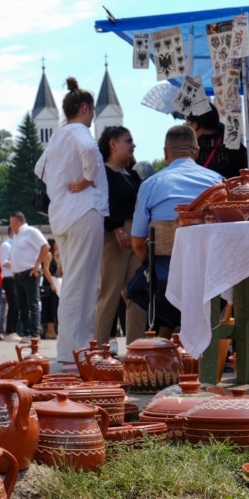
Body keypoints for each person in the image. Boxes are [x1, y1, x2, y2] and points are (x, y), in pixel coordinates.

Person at [34, 77, 108, 365]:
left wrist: (63, 183)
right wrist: (86, 178)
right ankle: (74, 351)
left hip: (63, 215)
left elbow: (39, 168)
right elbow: (89, 151)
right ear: (87, 109)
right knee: (83, 283)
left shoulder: (58, 135)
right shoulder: (78, 132)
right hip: (83, 211)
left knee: (79, 282)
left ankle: (74, 349)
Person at [130, 125, 223, 337]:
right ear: (197, 152)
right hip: (208, 273)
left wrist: (150, 262)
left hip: (165, 276)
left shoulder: (151, 184)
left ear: (165, 153)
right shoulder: (218, 183)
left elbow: (137, 242)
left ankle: (167, 329)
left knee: (142, 285)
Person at [93, 126, 147, 346]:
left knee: (137, 292)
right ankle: (99, 347)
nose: (133, 145)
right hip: (115, 235)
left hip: (135, 233)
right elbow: (104, 203)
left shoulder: (131, 174)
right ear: (113, 144)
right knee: (110, 292)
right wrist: (117, 228)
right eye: (128, 140)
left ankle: (137, 347)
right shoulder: (103, 172)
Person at [7, 212, 52, 341]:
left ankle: (34, 333)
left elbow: (45, 246)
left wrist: (37, 264)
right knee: (22, 305)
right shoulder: (17, 236)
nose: (11, 226)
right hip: (18, 274)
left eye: (11, 223)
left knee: (33, 303)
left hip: (30, 272)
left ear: (16, 222)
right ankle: (27, 332)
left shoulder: (31, 231)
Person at [185, 104, 248, 179]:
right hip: (232, 188)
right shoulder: (230, 142)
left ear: (195, 125)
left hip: (208, 190)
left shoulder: (193, 149)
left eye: (187, 123)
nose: (186, 126)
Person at [0, 226, 19, 341]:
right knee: (13, 305)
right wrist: (19, 264)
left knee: (16, 306)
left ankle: (14, 330)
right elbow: (4, 262)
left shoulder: (16, 245)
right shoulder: (6, 245)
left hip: (16, 278)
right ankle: (10, 331)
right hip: (9, 278)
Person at [40, 238, 61, 339]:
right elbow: (46, 270)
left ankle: (52, 331)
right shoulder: (48, 255)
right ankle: (50, 331)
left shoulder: (55, 256)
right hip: (49, 283)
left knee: (54, 306)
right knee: (49, 306)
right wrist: (52, 284)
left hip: (54, 281)